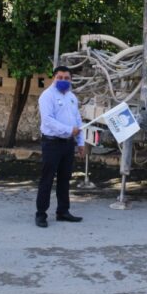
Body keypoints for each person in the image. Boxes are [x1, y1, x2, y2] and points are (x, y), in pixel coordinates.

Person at [35, 66, 85, 228]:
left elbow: (78, 120)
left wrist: (81, 142)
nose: (63, 81)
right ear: (54, 78)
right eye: (60, 77)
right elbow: (48, 120)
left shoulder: (71, 97)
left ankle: (63, 211)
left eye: (66, 78)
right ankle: (41, 214)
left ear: (70, 80)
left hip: (68, 144)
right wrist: (69, 130)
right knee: (47, 179)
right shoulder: (47, 96)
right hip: (52, 143)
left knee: (65, 179)